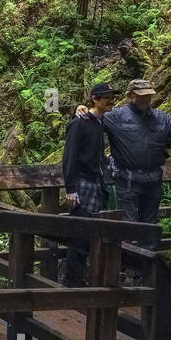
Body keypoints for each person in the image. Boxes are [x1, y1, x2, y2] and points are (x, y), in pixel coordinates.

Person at [94, 79, 171, 239]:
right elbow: (90, 122)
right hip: (128, 180)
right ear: (129, 96)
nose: (144, 99)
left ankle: (147, 261)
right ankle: (129, 261)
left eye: (148, 95)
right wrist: (81, 110)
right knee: (129, 226)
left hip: (154, 180)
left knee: (150, 225)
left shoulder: (162, 118)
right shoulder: (115, 116)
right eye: (139, 95)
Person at [61, 82, 117, 286]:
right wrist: (70, 189)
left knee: (91, 232)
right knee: (79, 233)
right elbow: (69, 156)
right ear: (95, 98)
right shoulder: (80, 122)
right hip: (82, 183)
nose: (110, 100)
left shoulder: (100, 122)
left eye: (112, 96)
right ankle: (72, 280)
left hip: (96, 184)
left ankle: (82, 278)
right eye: (106, 97)